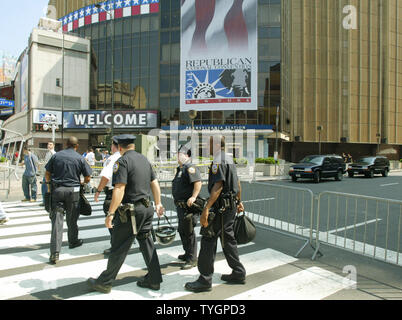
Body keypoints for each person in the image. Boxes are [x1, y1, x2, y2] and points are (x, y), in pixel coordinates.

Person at [87, 134, 165, 293]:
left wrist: (110, 213)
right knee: (146, 242)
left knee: (119, 246)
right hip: (147, 208)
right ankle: (154, 279)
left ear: (119, 147)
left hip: (131, 211)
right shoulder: (144, 160)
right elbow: (154, 183)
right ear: (133, 146)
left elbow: (119, 188)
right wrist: (158, 203)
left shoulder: (122, 161)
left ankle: (105, 282)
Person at [185, 135, 246, 293]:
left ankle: (205, 280)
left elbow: (218, 186)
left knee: (208, 239)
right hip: (229, 207)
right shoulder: (229, 158)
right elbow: (237, 183)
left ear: (217, 144)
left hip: (220, 209)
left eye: (208, 143)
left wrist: (206, 208)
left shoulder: (219, 160)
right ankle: (238, 272)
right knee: (228, 239)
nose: (206, 146)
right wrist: (238, 201)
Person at [45, 136, 92, 264]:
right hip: (73, 192)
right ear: (76, 146)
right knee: (72, 219)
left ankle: (55, 253)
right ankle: (73, 241)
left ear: (66, 144)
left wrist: (49, 186)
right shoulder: (80, 158)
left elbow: (47, 173)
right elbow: (88, 177)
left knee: (57, 221)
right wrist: (81, 183)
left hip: (58, 191)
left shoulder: (56, 156)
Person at [172, 143, 202, 270]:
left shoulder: (190, 167)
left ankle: (192, 258)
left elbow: (198, 182)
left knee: (188, 231)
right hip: (180, 206)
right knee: (182, 230)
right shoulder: (181, 169)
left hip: (188, 207)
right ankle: (187, 253)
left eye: (180, 154)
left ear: (186, 155)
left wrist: (194, 196)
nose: (177, 156)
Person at [94, 138, 121, 255]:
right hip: (126, 193)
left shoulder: (113, 158)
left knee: (111, 220)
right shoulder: (127, 157)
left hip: (113, 193)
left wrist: (98, 190)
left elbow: (105, 177)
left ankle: (116, 246)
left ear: (113, 147)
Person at [40, 142, 56, 206]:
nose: (48, 146)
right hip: (46, 173)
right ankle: (45, 201)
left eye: (50, 144)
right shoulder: (47, 153)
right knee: (44, 187)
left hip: (51, 174)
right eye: (48, 144)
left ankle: (49, 202)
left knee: (49, 188)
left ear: (53, 145)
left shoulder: (54, 153)